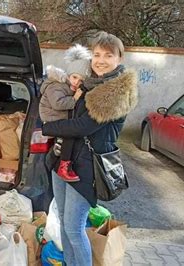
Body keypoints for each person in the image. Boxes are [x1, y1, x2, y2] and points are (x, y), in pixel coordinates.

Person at [42, 32, 138, 265]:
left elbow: (84, 126)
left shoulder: (115, 92)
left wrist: (48, 127)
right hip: (64, 160)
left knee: (74, 229)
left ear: (119, 59)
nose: (101, 60)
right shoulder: (89, 84)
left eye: (108, 55)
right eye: (96, 54)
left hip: (86, 168)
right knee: (65, 224)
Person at [39, 44, 91, 182]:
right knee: (69, 133)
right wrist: (74, 98)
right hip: (51, 116)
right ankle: (62, 165)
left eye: (81, 80)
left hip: (56, 117)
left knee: (69, 133)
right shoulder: (57, 85)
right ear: (68, 75)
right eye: (74, 77)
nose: (77, 82)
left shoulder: (69, 86)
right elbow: (58, 104)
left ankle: (58, 156)